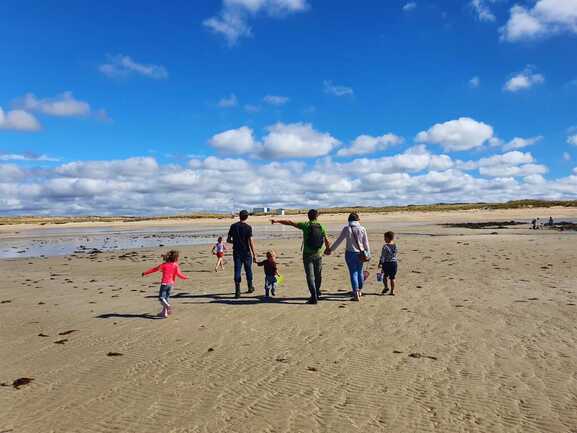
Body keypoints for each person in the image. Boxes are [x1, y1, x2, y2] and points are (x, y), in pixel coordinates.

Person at [271, 209, 331, 304]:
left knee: (310, 276)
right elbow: (327, 241)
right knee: (318, 275)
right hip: (318, 254)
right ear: (317, 216)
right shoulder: (321, 226)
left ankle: (313, 295)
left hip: (307, 255)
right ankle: (317, 292)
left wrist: (277, 221)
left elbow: (290, 222)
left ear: (308, 216)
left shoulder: (305, 225)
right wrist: (328, 249)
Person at [329, 212, 371, 301]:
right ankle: (359, 291)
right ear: (358, 220)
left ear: (349, 220)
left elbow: (338, 241)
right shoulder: (362, 228)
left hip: (350, 254)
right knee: (359, 272)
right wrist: (368, 254)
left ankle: (355, 293)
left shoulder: (347, 229)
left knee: (353, 273)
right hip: (361, 253)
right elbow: (366, 243)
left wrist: (331, 250)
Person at [142, 250, 188, 318]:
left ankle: (167, 306)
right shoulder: (175, 265)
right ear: (176, 258)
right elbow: (179, 274)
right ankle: (164, 313)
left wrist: (145, 273)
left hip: (164, 284)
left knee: (161, 298)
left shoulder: (163, 265)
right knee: (166, 299)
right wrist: (185, 277)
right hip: (171, 284)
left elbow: (154, 269)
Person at [227, 210, 257, 298]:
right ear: (247, 217)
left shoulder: (233, 226)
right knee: (248, 270)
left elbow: (228, 240)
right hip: (246, 252)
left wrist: (235, 242)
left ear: (239, 216)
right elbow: (250, 241)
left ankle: (237, 291)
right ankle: (250, 287)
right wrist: (254, 254)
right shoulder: (248, 227)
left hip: (236, 252)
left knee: (237, 270)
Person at [378, 231, 398, 296]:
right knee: (392, 277)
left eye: (385, 238)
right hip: (394, 263)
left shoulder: (385, 246)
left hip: (386, 263)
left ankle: (386, 287)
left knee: (385, 276)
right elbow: (395, 253)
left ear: (389, 238)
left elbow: (383, 256)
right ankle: (392, 291)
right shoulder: (395, 245)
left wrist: (380, 263)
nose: (384, 239)